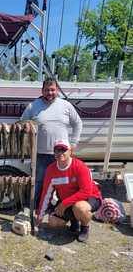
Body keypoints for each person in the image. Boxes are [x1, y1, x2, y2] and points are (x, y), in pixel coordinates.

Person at [19, 77, 82, 216]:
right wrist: (27, 145)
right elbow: (22, 126)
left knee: (64, 184)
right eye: (47, 90)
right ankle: (30, 208)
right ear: (42, 90)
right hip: (40, 154)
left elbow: (77, 123)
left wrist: (73, 143)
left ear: (57, 90)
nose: (50, 92)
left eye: (52, 89)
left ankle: (63, 210)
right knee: (37, 183)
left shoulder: (66, 105)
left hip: (61, 154)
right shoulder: (33, 106)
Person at [36, 139, 102, 243]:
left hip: (90, 197)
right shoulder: (50, 170)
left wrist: (65, 203)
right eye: (56, 150)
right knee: (52, 221)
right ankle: (74, 219)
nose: (60, 153)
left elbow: (86, 192)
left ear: (70, 151)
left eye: (63, 149)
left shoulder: (80, 167)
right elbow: (46, 194)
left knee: (80, 208)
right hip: (67, 201)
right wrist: (40, 216)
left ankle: (84, 228)